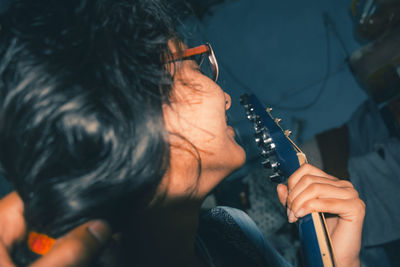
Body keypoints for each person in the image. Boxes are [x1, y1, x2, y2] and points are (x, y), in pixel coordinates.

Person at [0, 0, 365, 266]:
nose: (224, 97)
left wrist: (340, 261)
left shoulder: (234, 232)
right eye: (192, 67)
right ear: (128, 112)